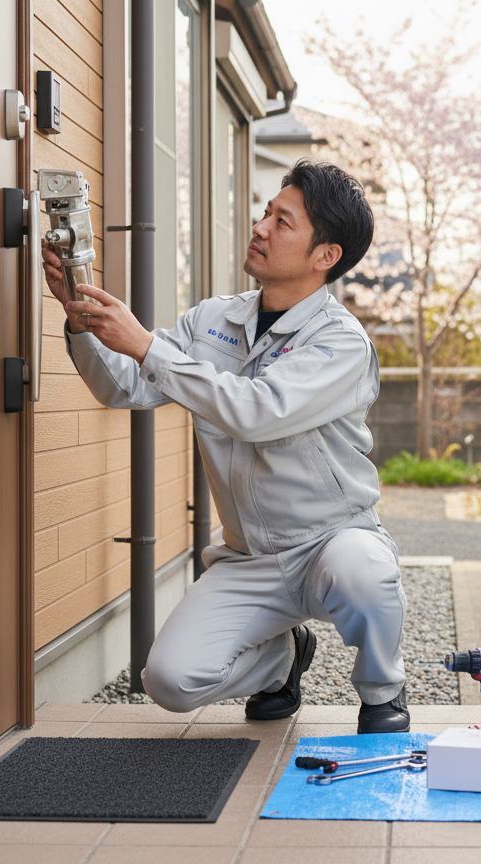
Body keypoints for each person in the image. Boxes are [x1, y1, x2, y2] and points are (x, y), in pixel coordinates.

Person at [44, 159, 410, 733]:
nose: (260, 227)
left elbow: (259, 411)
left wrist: (147, 346)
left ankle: (383, 693)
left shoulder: (341, 342)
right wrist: (80, 317)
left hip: (332, 542)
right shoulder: (214, 319)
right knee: (168, 681)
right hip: (250, 557)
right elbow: (122, 385)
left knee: (363, 572)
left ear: (325, 256)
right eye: (266, 212)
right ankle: (280, 662)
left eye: (282, 221)